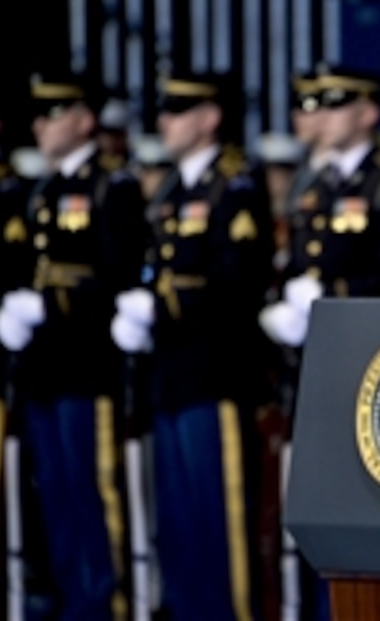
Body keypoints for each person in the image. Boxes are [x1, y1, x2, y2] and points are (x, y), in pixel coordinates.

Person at [109, 70, 274, 620]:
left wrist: (161, 307)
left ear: (210, 117)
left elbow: (237, 283)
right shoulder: (177, 189)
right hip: (172, 377)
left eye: (180, 110)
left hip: (214, 375)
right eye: (165, 110)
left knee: (218, 520)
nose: (166, 121)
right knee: (178, 523)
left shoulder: (235, 185)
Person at [0, 71, 148, 619]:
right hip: (44, 372)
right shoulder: (40, 190)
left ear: (84, 119)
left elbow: (117, 276)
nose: (41, 124)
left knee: (95, 498)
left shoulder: (113, 188)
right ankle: (71, 603)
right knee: (55, 498)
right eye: (38, 114)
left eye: (54, 113)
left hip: (87, 370)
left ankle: (106, 606)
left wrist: (52, 305)